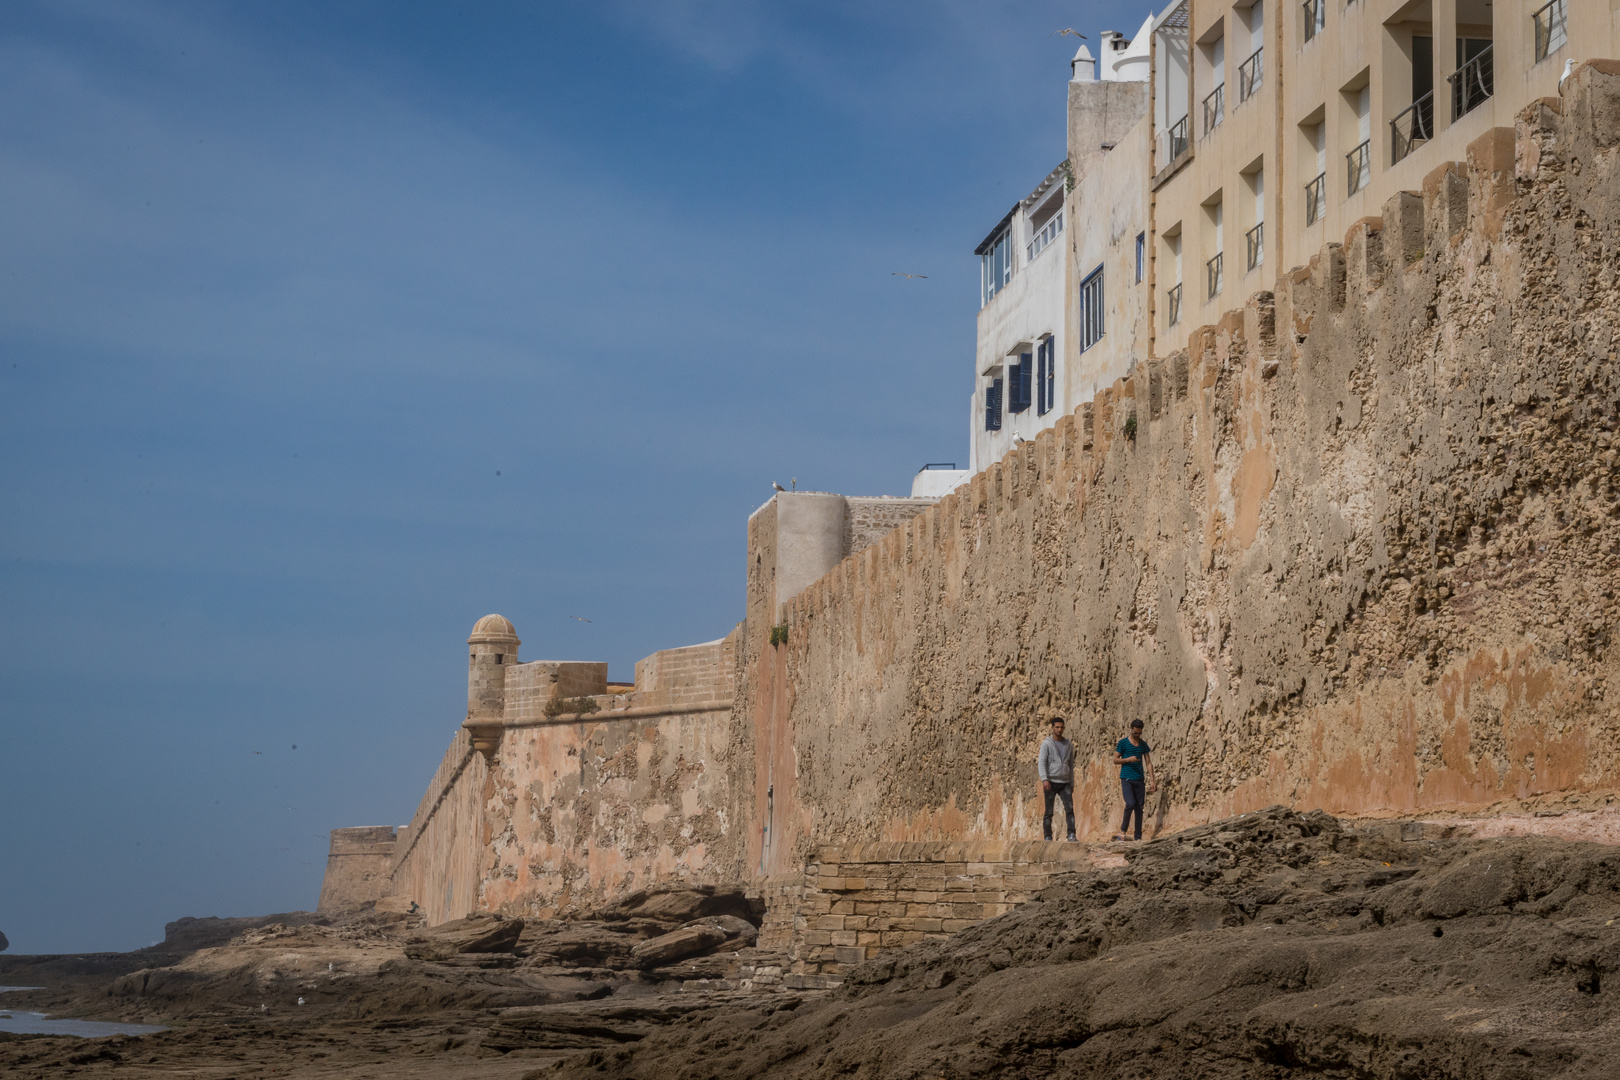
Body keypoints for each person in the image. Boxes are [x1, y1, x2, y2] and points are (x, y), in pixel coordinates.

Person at [1112, 719, 1156, 841]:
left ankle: (1138, 837)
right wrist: (1128, 760)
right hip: (1126, 778)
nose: (1137, 735)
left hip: (1139, 779)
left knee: (1139, 808)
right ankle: (1122, 832)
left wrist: (1152, 780)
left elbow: (1148, 762)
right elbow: (1115, 760)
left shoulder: (1143, 744)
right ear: (1131, 728)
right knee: (1130, 803)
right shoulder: (1123, 743)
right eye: (1135, 732)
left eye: (1139, 733)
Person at [1037, 714, 1077, 841]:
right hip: (1051, 781)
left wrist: (1071, 783)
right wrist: (1044, 779)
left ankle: (1072, 834)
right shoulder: (1047, 744)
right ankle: (1048, 836)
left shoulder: (1068, 744)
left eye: (1061, 727)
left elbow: (1071, 764)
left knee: (1069, 809)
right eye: (1057, 727)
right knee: (1049, 811)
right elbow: (1042, 762)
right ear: (1052, 728)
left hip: (1064, 781)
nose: (1059, 729)